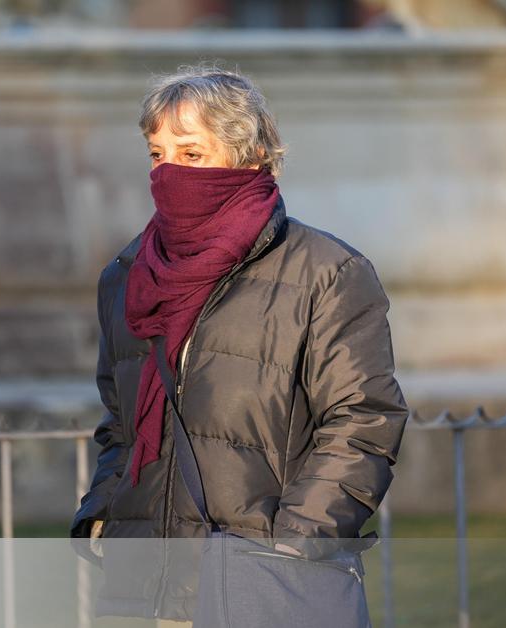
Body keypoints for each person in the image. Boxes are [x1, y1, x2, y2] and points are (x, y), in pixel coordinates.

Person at [70, 62, 408, 626]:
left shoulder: (326, 272)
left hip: (266, 582)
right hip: (143, 586)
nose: (169, 172)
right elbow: (119, 423)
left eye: (192, 154)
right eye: (158, 155)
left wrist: (296, 544)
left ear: (250, 158)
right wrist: (104, 513)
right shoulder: (128, 276)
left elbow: (362, 421)